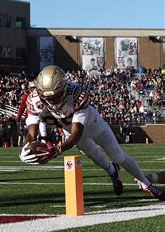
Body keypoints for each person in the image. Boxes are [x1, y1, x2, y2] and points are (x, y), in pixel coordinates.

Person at [19, 65, 164, 200]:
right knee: (95, 156)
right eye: (48, 98)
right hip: (70, 130)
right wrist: (26, 149)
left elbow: (77, 133)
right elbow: (31, 134)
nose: (52, 102)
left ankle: (147, 184)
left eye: (56, 96)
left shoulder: (76, 93)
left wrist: (58, 149)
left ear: (63, 88)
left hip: (94, 126)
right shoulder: (34, 100)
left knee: (118, 156)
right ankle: (112, 171)